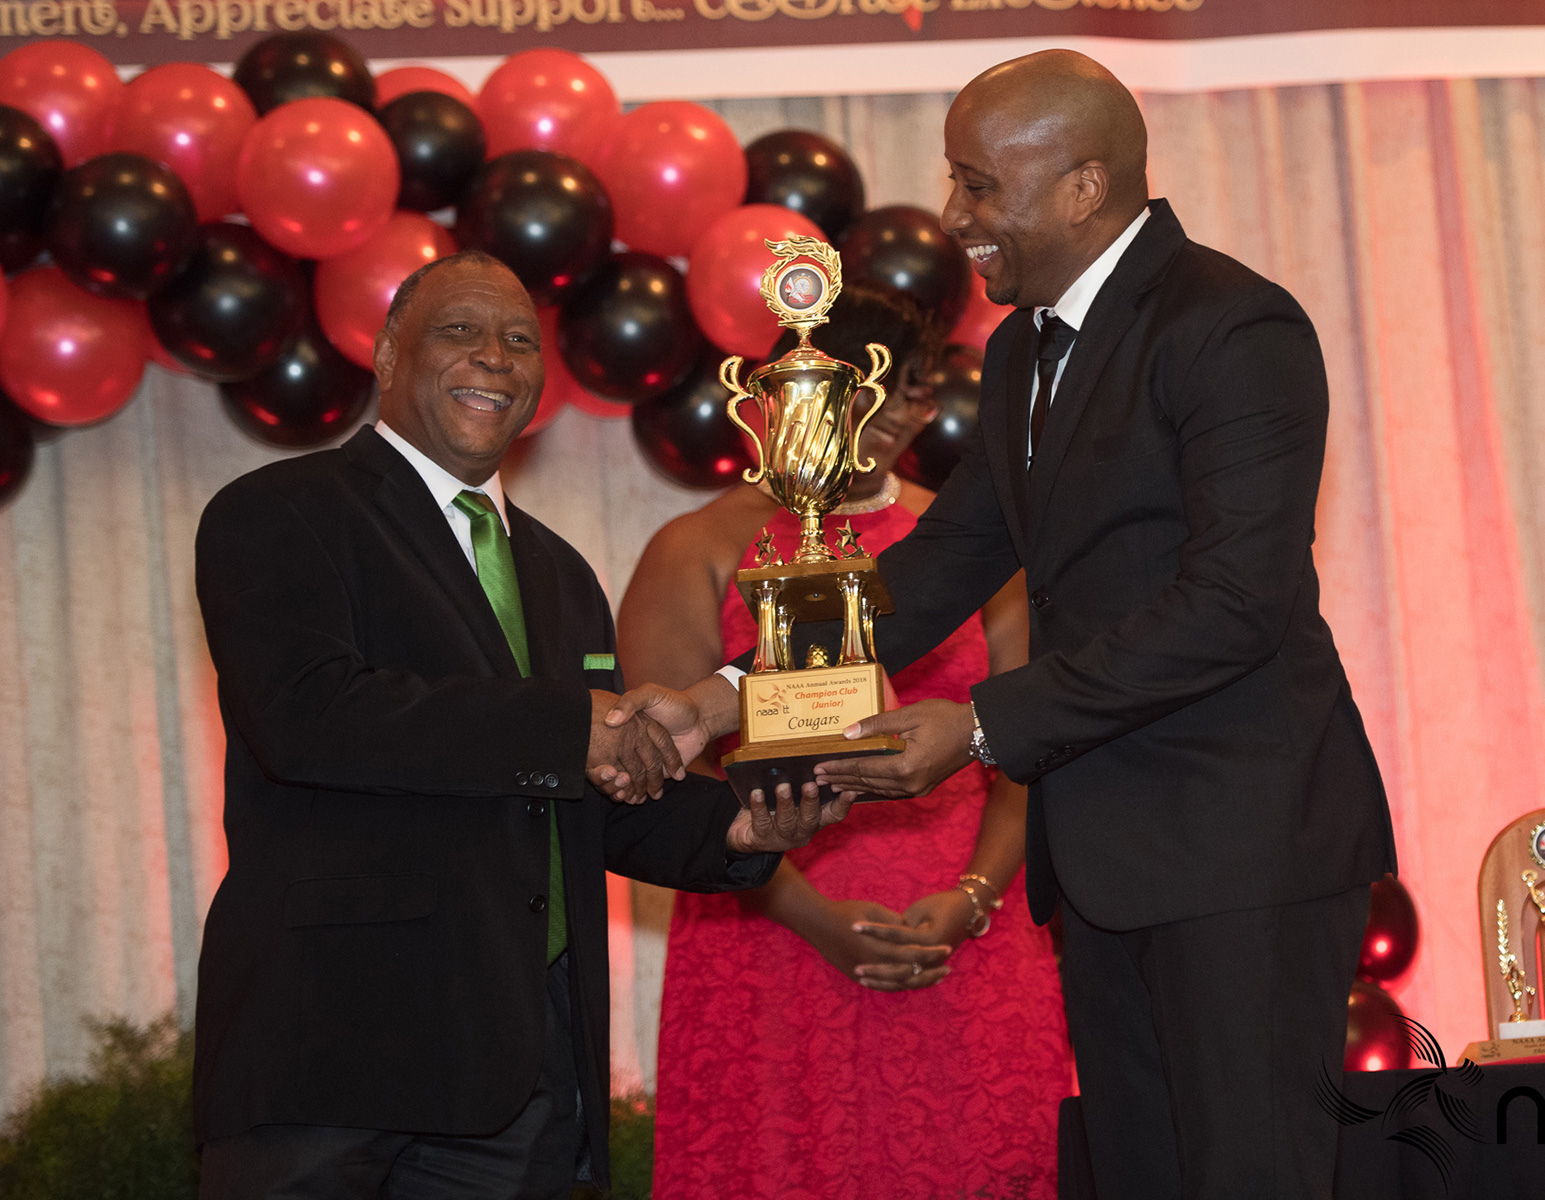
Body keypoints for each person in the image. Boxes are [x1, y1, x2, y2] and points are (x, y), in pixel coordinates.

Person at [614, 51, 1394, 1200]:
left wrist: (980, 726)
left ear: (1083, 187)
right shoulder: (1028, 346)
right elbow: (942, 564)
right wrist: (724, 699)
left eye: (979, 184)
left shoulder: (1232, 327)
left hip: (1241, 852)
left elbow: (1237, 602)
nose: (953, 215)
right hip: (1103, 862)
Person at [189, 250, 847, 1200]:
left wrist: (737, 830)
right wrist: (568, 726)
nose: (494, 357)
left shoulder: (560, 572)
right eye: (459, 331)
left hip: (521, 1078)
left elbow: (590, 791)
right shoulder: (282, 511)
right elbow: (308, 717)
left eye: (519, 341)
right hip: (330, 1057)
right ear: (387, 354)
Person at [618, 287, 1071, 1199]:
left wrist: (975, 897)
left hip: (962, 929)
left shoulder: (973, 547)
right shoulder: (698, 545)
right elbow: (670, 774)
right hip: (765, 926)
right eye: (871, 386)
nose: (898, 410)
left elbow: (1029, 738)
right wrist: (810, 914)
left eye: (914, 387)